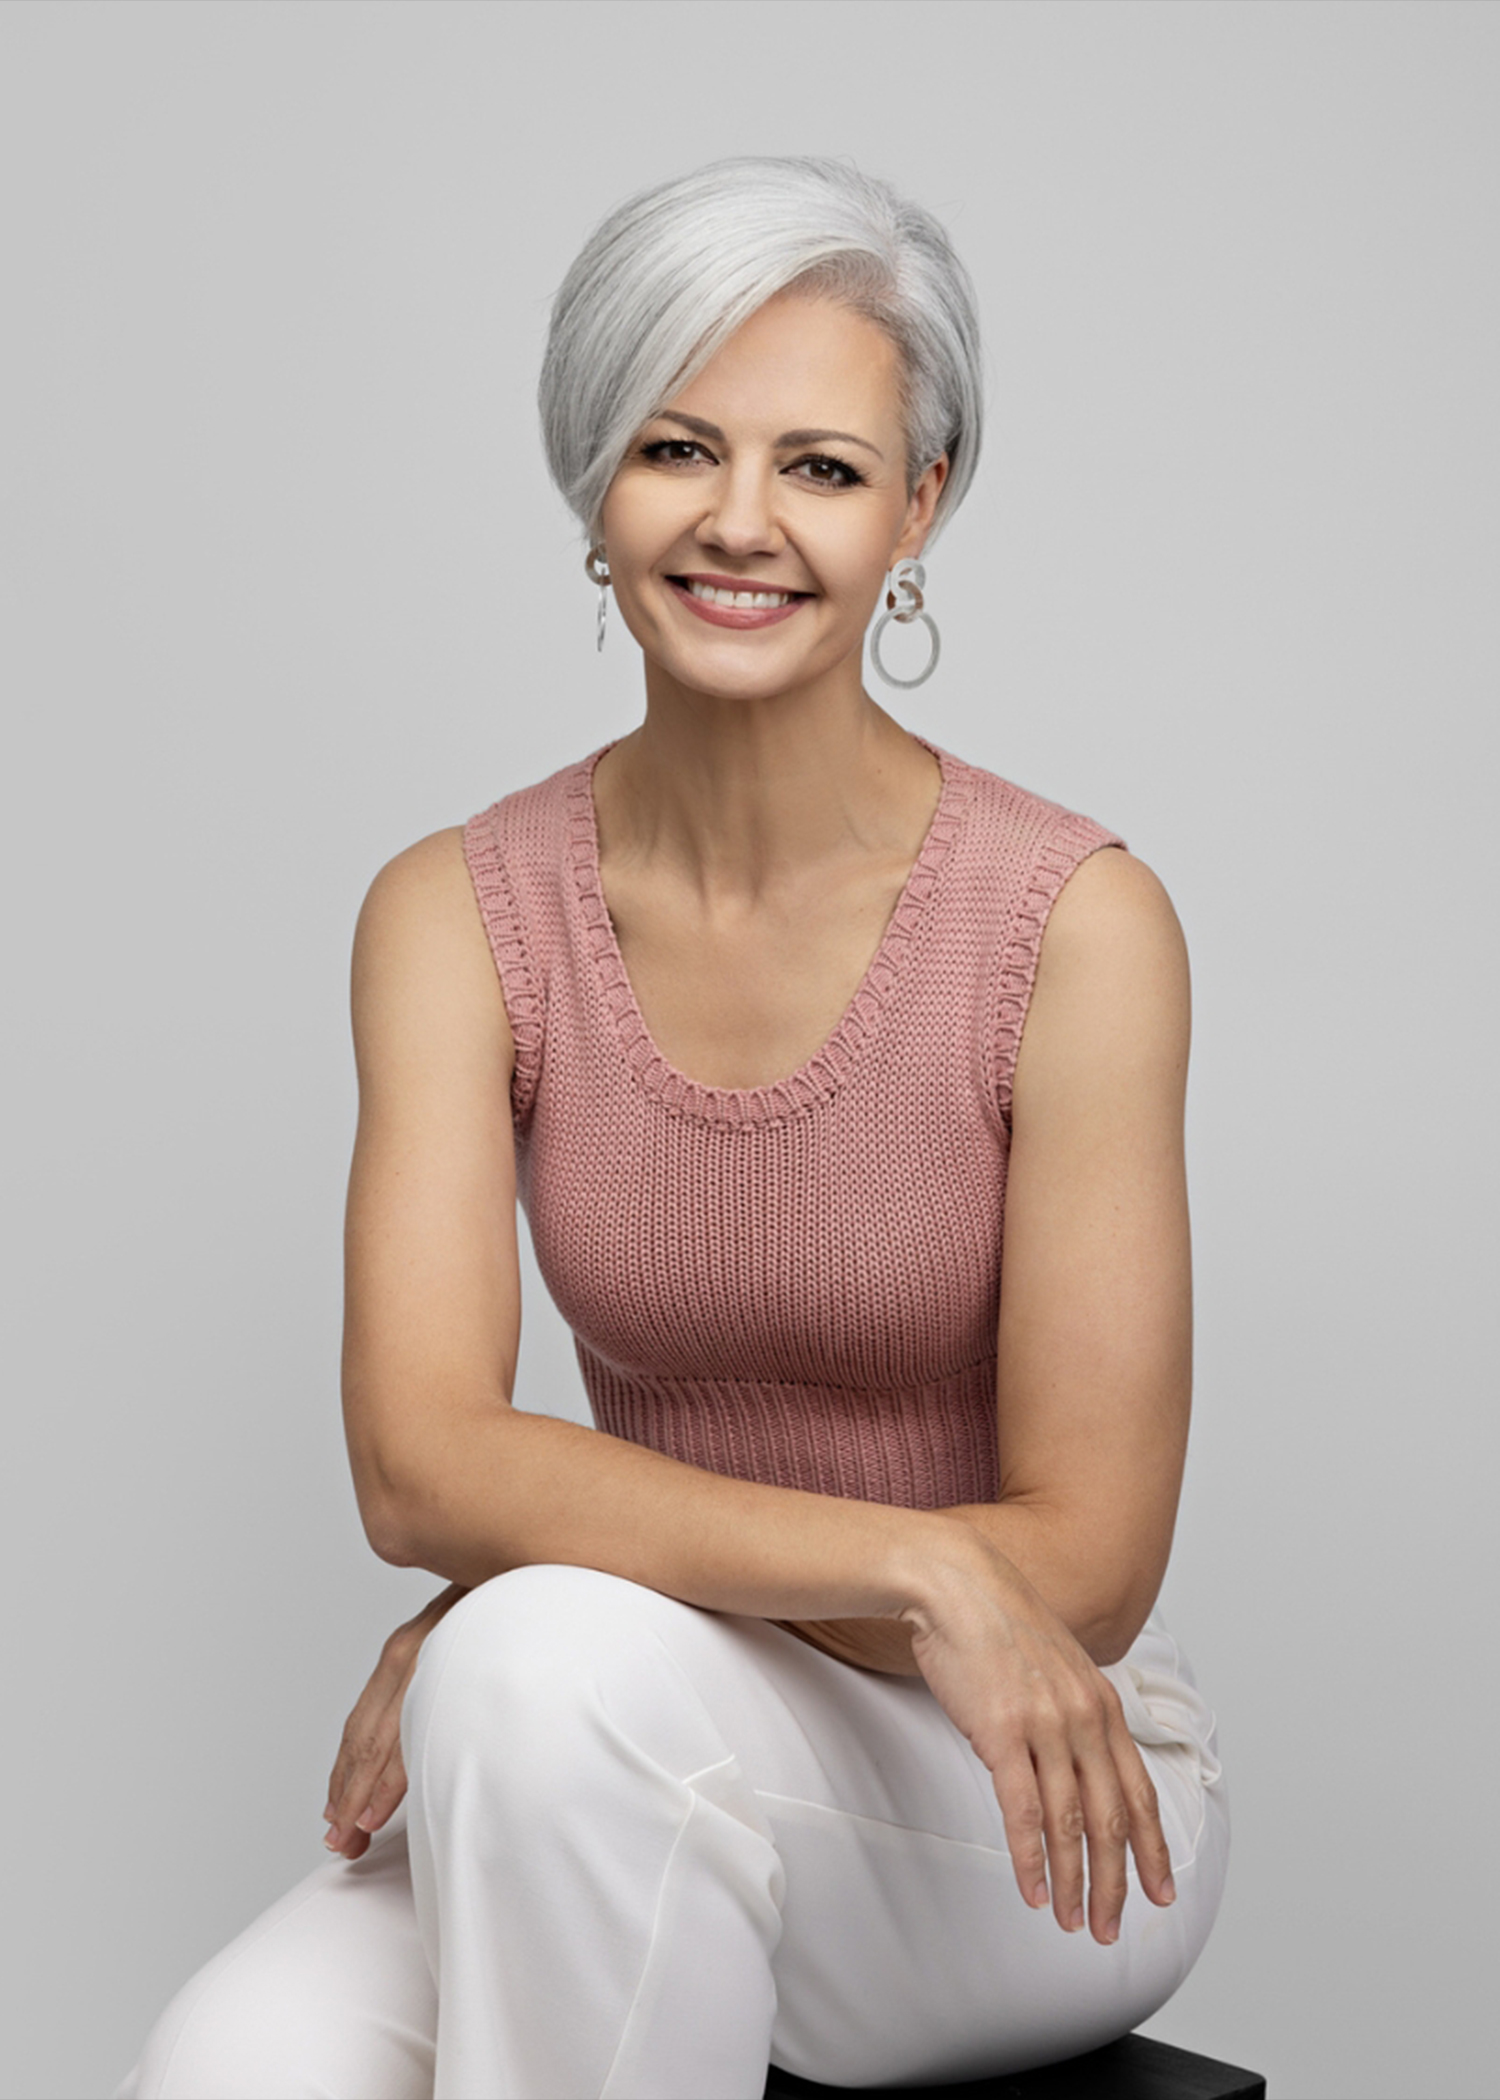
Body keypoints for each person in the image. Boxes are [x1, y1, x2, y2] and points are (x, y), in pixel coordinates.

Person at [116, 155, 1229, 2100]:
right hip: (609, 1726)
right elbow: (417, 1466)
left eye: (822, 467)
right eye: (676, 447)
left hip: (1023, 1797)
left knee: (532, 1666)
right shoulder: (458, 913)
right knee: (231, 2066)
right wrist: (914, 1566)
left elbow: (1082, 1568)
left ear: (919, 506)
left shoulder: (1073, 924)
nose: (739, 521)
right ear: (595, 482)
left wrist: (549, 1585)